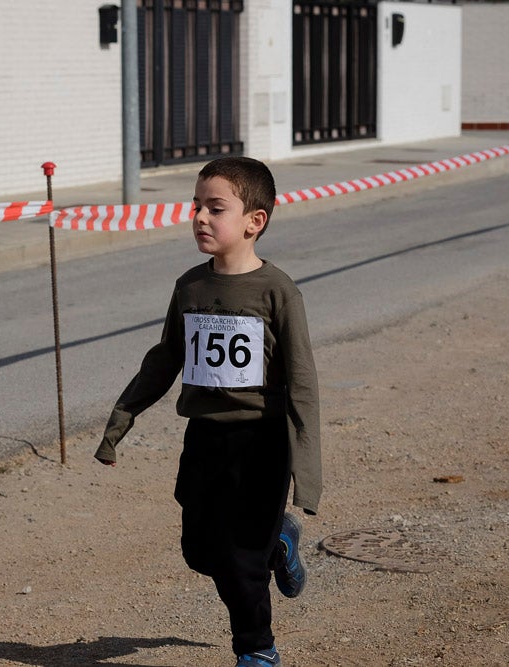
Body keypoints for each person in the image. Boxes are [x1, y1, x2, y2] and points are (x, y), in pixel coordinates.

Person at [94, 156, 321, 667]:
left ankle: (257, 650)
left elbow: (303, 383)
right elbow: (164, 359)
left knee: (240, 558)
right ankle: (280, 540)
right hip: (204, 437)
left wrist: (306, 475)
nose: (199, 217)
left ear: (254, 221)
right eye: (196, 205)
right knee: (200, 550)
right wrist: (119, 423)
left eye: (215, 208)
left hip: (262, 440)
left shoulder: (278, 291)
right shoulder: (190, 287)